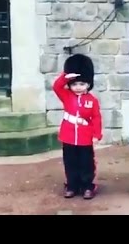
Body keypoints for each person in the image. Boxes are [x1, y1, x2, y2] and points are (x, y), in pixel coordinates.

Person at [52, 54, 103, 199]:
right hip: (68, 135)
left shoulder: (92, 100)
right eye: (74, 84)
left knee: (86, 162)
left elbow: (96, 117)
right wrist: (66, 76)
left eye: (82, 84)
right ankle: (72, 185)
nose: (78, 87)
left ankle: (87, 185)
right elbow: (56, 86)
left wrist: (96, 134)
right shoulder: (66, 95)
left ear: (88, 84)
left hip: (84, 136)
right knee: (70, 162)